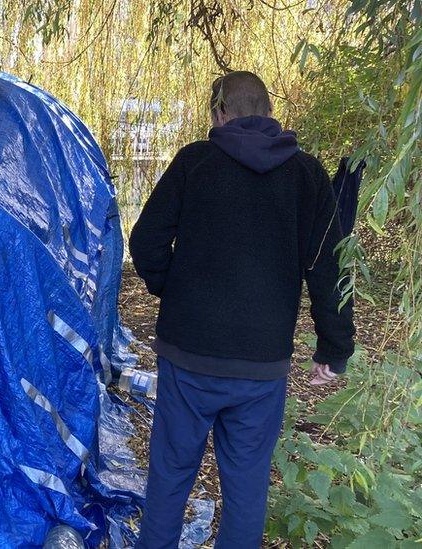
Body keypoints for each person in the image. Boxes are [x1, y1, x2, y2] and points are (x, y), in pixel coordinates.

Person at [128, 71, 355, 548]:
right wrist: (334, 349)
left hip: (188, 356)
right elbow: (328, 267)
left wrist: (173, 288)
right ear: (269, 113)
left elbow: (146, 239)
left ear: (220, 112)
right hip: (261, 366)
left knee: (169, 477)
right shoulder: (307, 175)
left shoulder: (194, 162)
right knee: (247, 488)